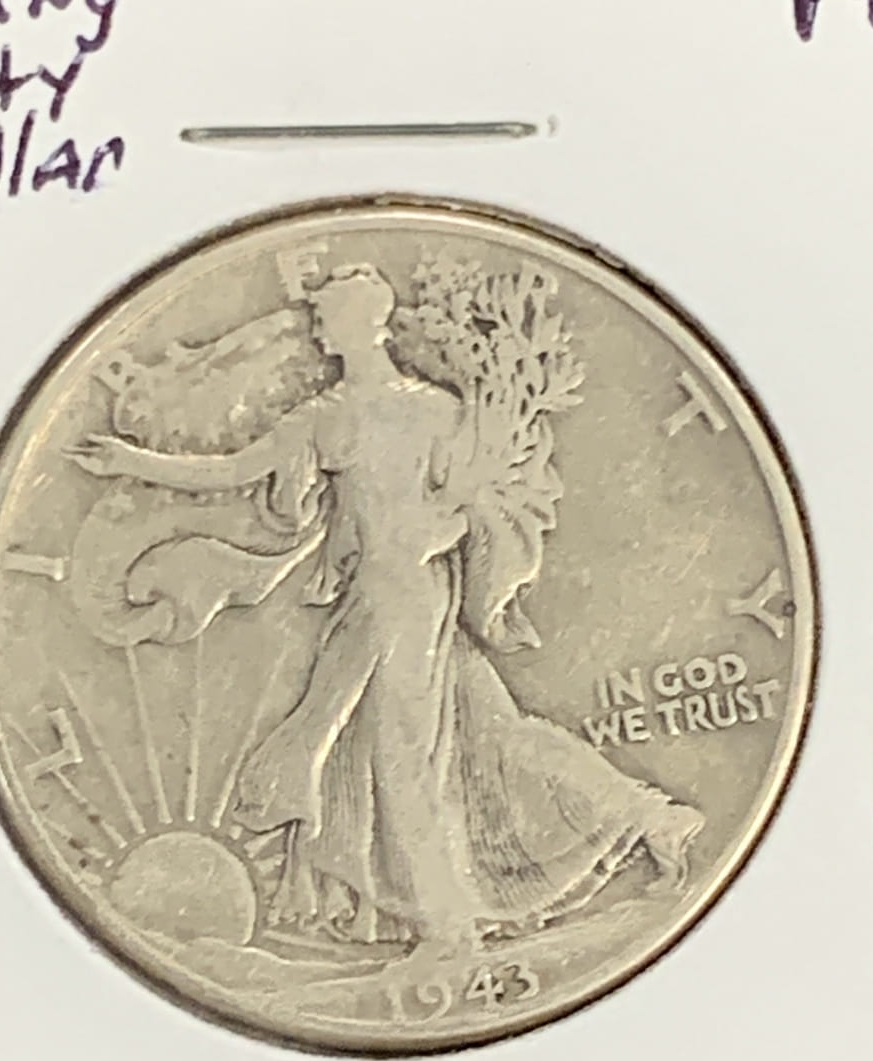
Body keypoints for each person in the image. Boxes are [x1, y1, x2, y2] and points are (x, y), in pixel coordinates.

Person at [68, 264, 703, 954]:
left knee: (404, 759)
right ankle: (654, 820)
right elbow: (233, 471)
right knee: (486, 736)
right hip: (384, 598)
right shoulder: (344, 416)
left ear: (361, 322)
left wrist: (442, 530)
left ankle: (448, 925)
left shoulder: (426, 413)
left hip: (405, 601)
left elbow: (477, 505)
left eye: (326, 315)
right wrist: (131, 461)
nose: (317, 328)